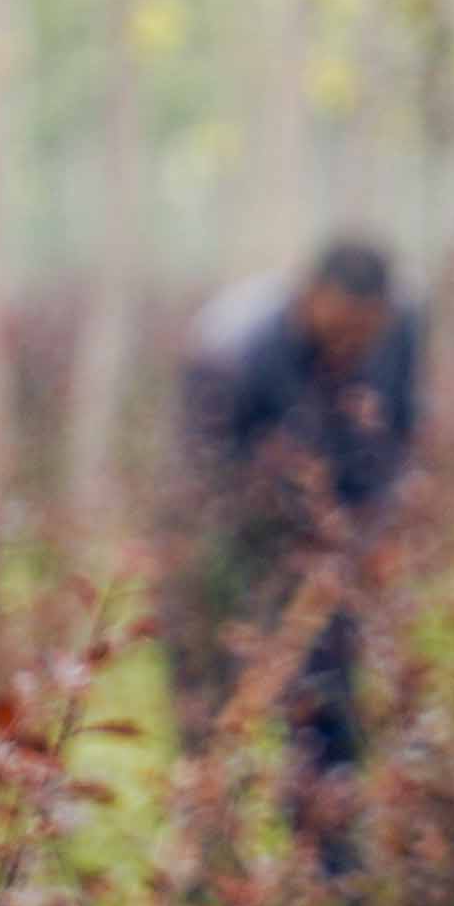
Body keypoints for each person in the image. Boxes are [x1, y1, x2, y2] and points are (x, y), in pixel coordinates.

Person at [176, 235, 421, 805]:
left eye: (364, 337)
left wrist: (361, 532)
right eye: (338, 332)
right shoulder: (233, 352)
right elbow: (209, 480)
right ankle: (211, 822)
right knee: (219, 691)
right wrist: (279, 566)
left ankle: (326, 832)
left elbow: (400, 431)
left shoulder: (402, 324)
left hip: (335, 527)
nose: (350, 349)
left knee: (326, 696)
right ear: (308, 296)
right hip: (241, 527)